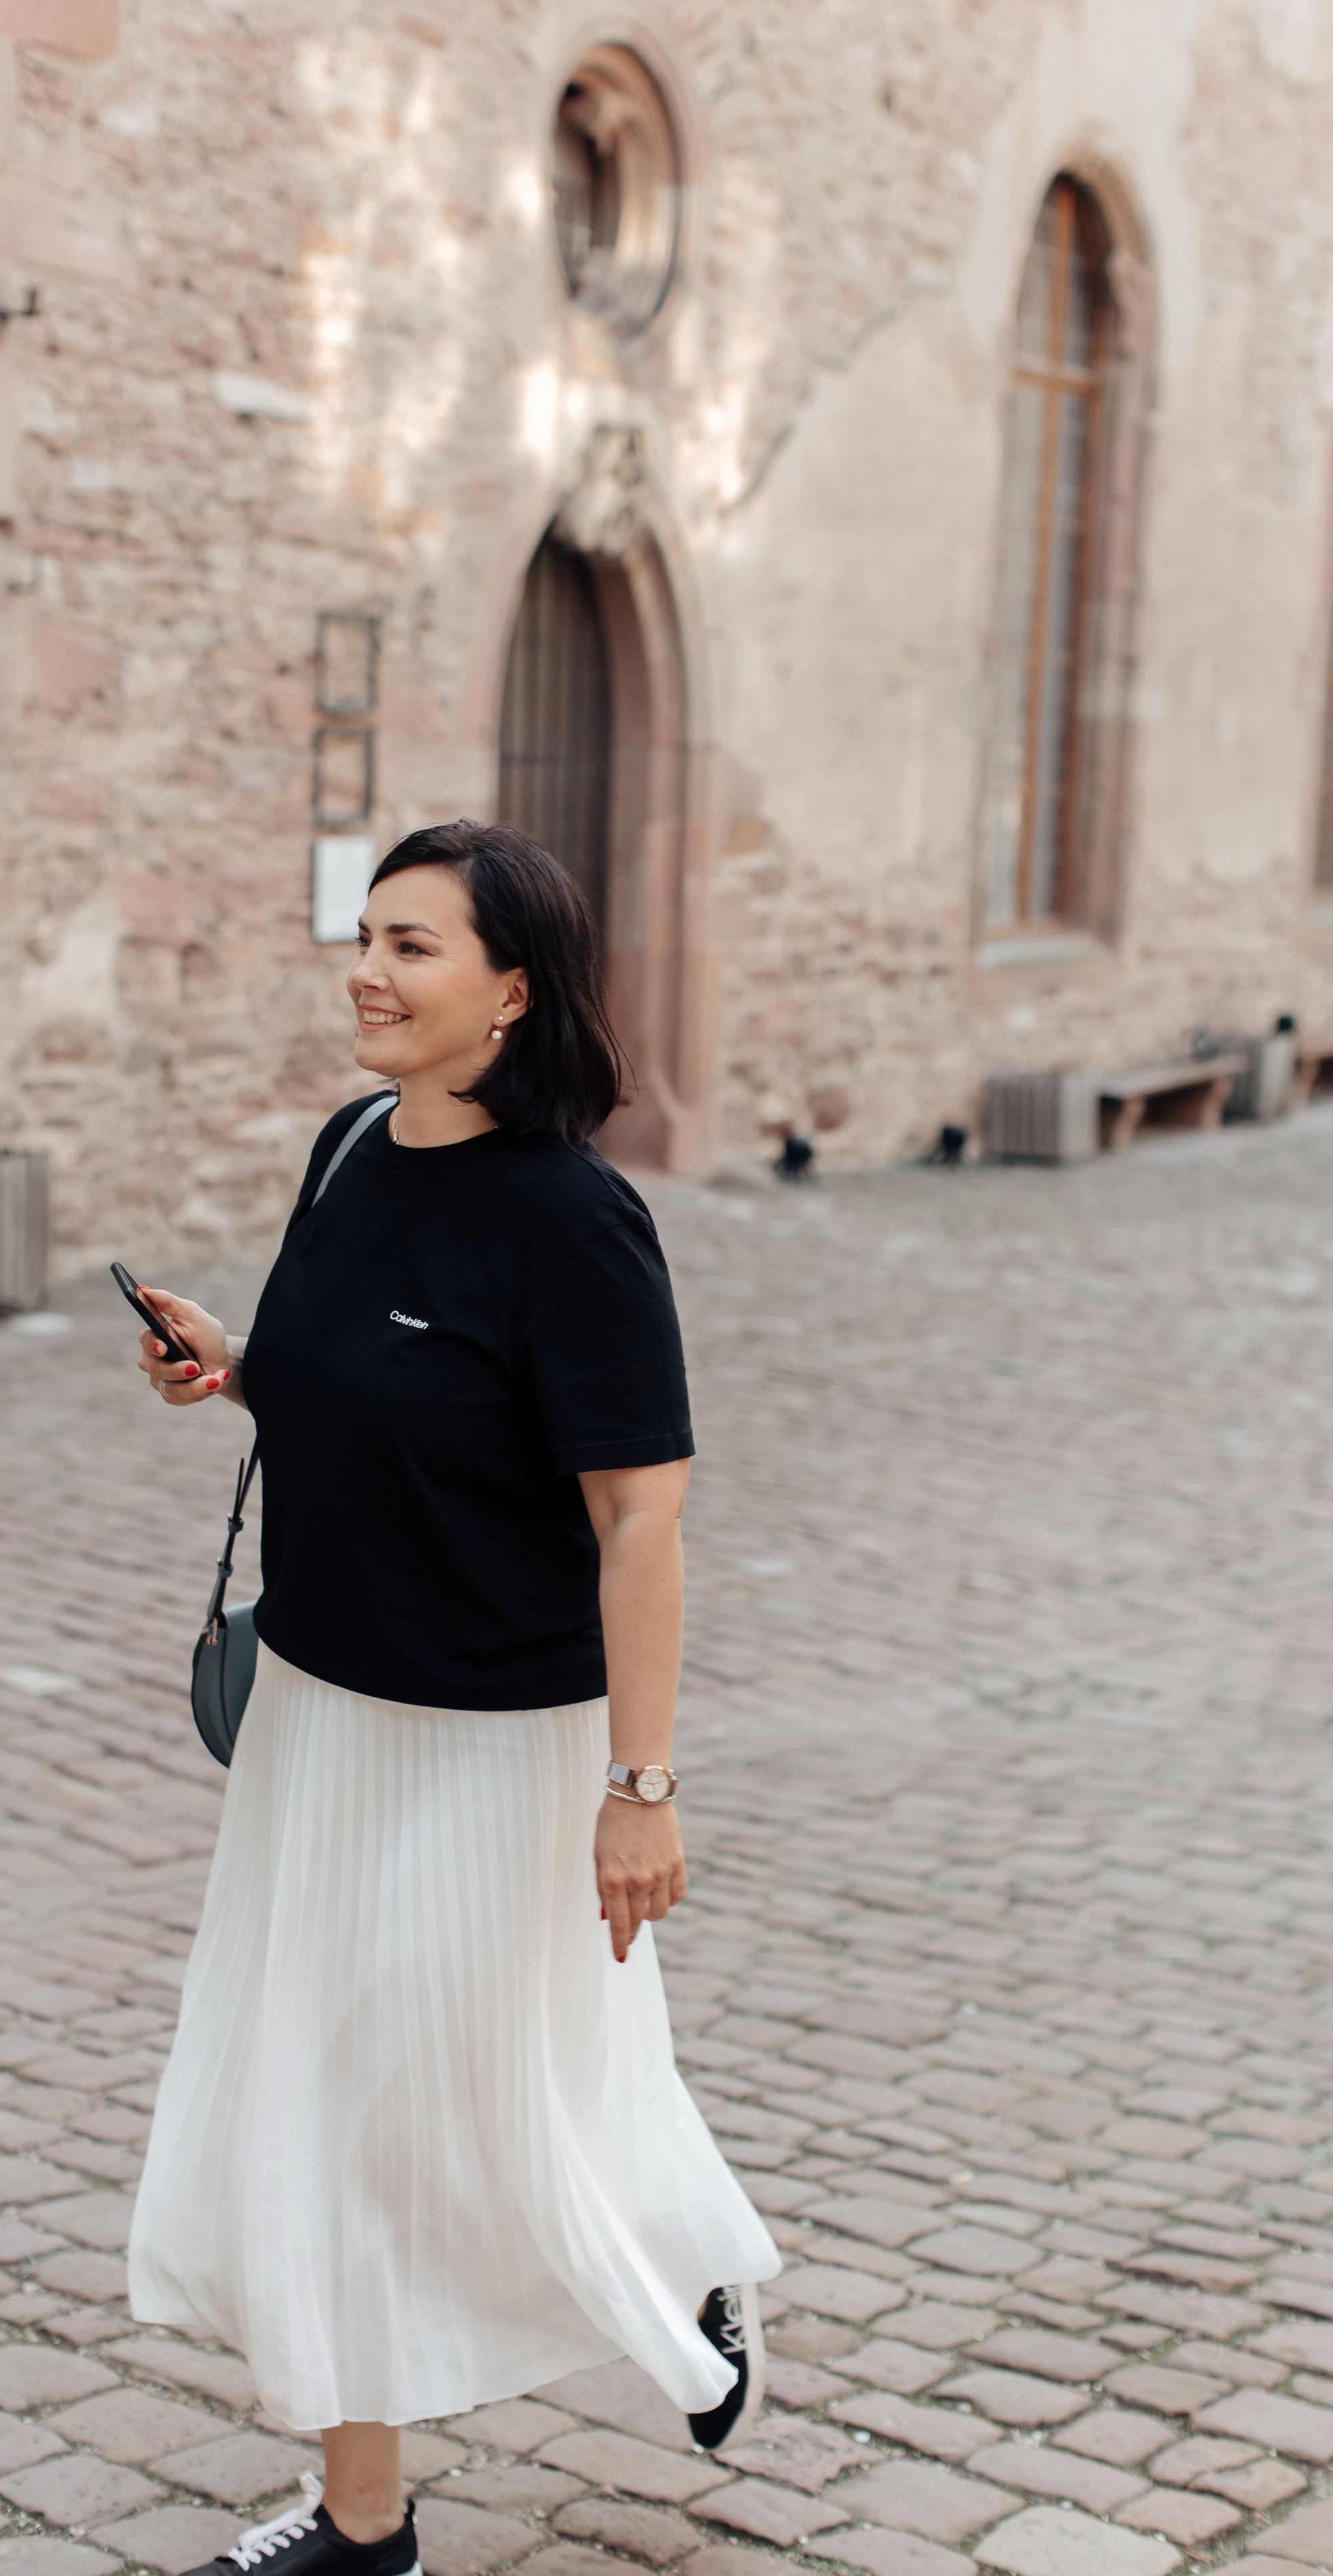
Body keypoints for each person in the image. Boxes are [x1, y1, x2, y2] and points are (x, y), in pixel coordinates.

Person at [125, 820, 779, 2576]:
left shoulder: (577, 1224)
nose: (371, 969)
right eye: (367, 934)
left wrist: (641, 1786)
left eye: (416, 945)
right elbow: (362, 1393)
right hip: (322, 1721)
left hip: (505, 1742)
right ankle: (364, 2525)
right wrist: (242, 1371)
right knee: (334, 2096)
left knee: (511, 2086)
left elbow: (641, 1516)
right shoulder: (347, 1153)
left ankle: (678, 2280)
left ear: (510, 991)